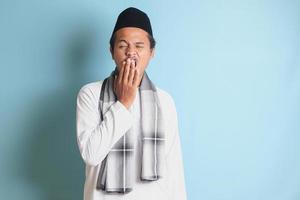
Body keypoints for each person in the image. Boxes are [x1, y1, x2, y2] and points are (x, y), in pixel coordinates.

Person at [76, 7, 187, 200]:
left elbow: (174, 170)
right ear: (111, 51)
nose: (131, 53)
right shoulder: (90, 94)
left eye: (139, 46)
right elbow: (91, 154)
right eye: (123, 45)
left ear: (152, 52)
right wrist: (123, 103)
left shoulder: (164, 101)